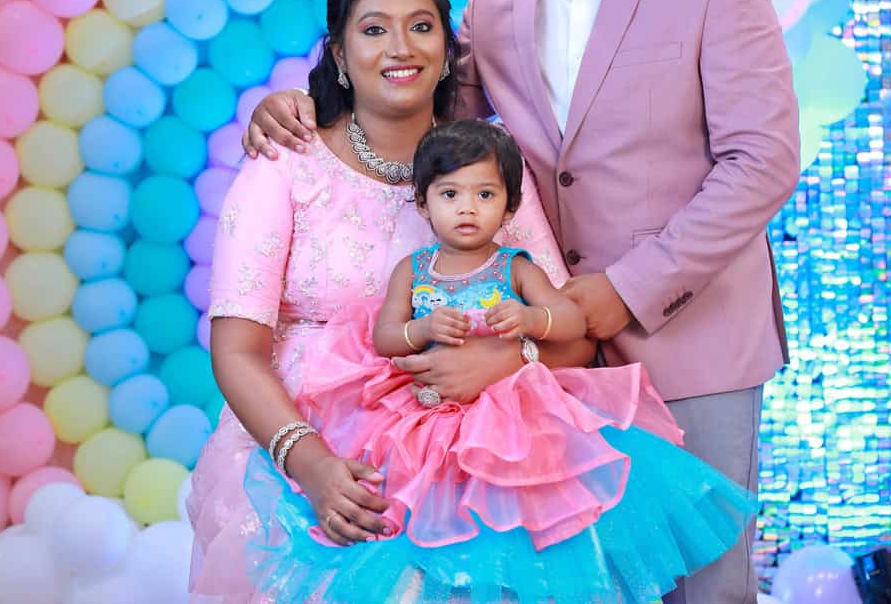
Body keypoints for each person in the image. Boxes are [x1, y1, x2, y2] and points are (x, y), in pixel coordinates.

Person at [244, 0, 801, 604]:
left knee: (704, 585)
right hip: (533, 355)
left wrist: (620, 290)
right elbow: (428, 116)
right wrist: (303, 101)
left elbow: (761, 160)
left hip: (686, 328)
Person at [190, 0, 752, 604]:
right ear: (338, 54)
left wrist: (508, 358)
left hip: (479, 464)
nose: (401, 46)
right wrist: (312, 464)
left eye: (421, 25)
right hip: (315, 453)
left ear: (448, 47)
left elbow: (570, 333)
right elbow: (235, 349)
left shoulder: (484, 170)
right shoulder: (287, 163)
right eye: (373, 29)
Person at [289, 118, 754, 591]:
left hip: (509, 416)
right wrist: (420, 328)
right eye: (450, 195)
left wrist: (531, 320)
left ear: (510, 206)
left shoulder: (515, 268)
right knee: (429, 525)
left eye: (484, 195)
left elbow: (571, 321)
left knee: (514, 522)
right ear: (423, 203)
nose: (467, 209)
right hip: (428, 423)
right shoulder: (412, 271)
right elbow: (385, 338)